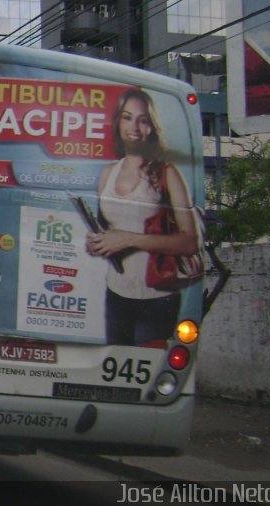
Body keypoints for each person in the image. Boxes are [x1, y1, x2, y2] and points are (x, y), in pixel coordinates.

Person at [86, 89, 200, 347]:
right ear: (118, 122)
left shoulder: (166, 172)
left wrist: (128, 239)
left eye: (143, 119)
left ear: (152, 126)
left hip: (157, 298)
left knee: (148, 376)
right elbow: (111, 231)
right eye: (127, 118)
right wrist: (100, 243)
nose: (134, 127)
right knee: (115, 377)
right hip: (116, 294)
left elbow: (190, 242)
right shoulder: (108, 174)